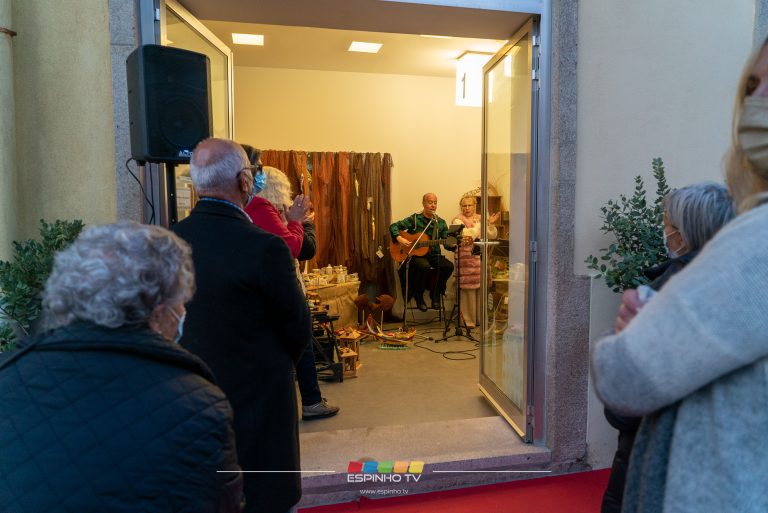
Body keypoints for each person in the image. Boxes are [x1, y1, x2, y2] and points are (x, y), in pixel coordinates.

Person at [592, 41, 768, 513]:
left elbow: (625, 377)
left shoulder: (756, 242)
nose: (757, 103)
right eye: (751, 87)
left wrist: (625, 338)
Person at [0, 222, 243, 513]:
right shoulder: (201, 405)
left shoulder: (8, 376)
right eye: (180, 302)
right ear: (158, 312)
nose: (183, 312)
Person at [172, 138, 310, 513]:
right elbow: (298, 327)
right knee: (265, 494)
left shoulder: (170, 240)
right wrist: (274, 365)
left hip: (193, 392)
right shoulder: (264, 247)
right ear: (244, 181)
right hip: (259, 397)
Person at [600, 182, 735, 513]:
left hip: (654, 461)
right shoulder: (740, 287)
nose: (665, 233)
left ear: (685, 235)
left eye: (667, 225)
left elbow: (625, 407)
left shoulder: (667, 297)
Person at [242, 147, 340, 420]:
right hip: (278, 287)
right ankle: (310, 401)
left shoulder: (249, 208)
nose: (260, 172)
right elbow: (296, 248)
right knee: (300, 341)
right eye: (257, 167)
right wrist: (300, 223)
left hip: (261, 288)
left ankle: (307, 400)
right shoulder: (261, 208)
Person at [390, 192, 455, 311]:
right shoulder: (415, 219)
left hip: (434, 255)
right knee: (423, 266)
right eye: (430, 202)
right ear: (423, 204)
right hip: (417, 256)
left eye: (435, 203)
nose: (433, 205)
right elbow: (394, 226)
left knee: (448, 266)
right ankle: (418, 296)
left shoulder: (440, 222)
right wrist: (400, 238)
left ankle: (435, 294)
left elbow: (447, 243)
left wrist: (452, 244)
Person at [451, 194, 499, 329]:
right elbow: (467, 235)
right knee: (468, 291)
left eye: (469, 205)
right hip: (466, 260)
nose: (467, 208)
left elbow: (492, 235)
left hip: (480, 258)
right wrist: (480, 226)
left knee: (480, 289)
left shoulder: (481, 218)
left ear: (474, 206)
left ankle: (479, 319)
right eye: (464, 206)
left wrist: (490, 224)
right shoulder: (457, 220)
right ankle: (467, 321)